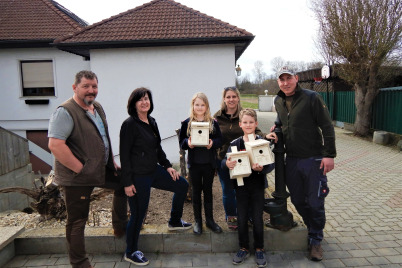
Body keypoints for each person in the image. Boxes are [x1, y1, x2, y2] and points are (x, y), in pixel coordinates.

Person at [48, 70, 127, 268]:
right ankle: (80, 263)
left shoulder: (96, 107)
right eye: (86, 86)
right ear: (75, 88)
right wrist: (80, 168)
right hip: (77, 178)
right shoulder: (65, 111)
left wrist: (111, 163)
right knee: (77, 221)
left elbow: (102, 137)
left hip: (100, 169)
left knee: (123, 183)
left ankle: (119, 226)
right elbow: (55, 145)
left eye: (94, 86)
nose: (91, 91)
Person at [120, 87, 192, 266]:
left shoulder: (151, 121)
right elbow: (124, 155)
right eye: (140, 99)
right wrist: (127, 183)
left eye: (147, 99)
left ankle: (174, 221)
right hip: (138, 177)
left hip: (153, 170)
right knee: (138, 213)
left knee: (182, 185)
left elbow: (158, 148)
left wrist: (167, 166)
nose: (145, 102)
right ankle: (130, 251)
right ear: (133, 103)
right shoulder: (129, 124)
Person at [274, 66, 336, 262]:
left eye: (288, 78)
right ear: (278, 82)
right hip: (291, 159)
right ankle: (312, 229)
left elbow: (327, 126)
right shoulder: (278, 100)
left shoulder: (311, 98)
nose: (285, 82)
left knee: (315, 202)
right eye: (281, 79)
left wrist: (329, 155)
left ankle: (316, 240)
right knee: (298, 200)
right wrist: (275, 130)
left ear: (296, 79)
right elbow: (281, 122)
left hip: (313, 159)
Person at [223, 108, 276, 267]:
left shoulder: (262, 142)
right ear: (240, 124)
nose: (248, 125)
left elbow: (270, 164)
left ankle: (259, 248)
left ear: (256, 123)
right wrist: (227, 164)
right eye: (245, 122)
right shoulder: (234, 144)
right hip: (241, 187)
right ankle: (243, 247)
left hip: (258, 186)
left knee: (258, 217)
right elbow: (228, 163)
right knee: (243, 217)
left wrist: (263, 169)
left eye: (251, 122)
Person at [213, 86, 270, 230]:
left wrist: (266, 137)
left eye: (234, 96)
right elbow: (210, 135)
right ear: (224, 99)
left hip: (245, 160)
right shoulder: (217, 117)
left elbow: (255, 131)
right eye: (228, 97)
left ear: (238, 98)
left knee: (245, 191)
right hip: (225, 161)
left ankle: (248, 217)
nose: (231, 99)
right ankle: (231, 218)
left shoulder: (244, 115)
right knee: (228, 191)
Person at [179, 92, 223, 235]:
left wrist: (212, 143)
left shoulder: (212, 122)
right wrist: (188, 143)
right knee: (196, 193)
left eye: (202, 105)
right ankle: (198, 221)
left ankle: (210, 220)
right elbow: (182, 142)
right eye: (197, 104)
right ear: (193, 106)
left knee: (208, 192)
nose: (199, 107)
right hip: (195, 164)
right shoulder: (187, 123)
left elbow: (219, 140)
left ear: (206, 106)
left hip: (208, 164)